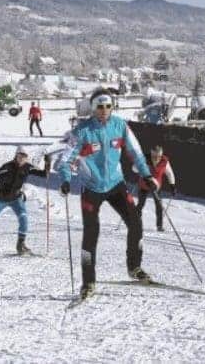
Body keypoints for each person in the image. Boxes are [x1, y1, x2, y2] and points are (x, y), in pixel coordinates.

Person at [58, 88, 158, 299]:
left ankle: (134, 267)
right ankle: (88, 282)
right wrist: (65, 179)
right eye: (99, 107)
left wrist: (147, 175)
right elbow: (66, 160)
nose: (104, 111)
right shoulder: (82, 131)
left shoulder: (120, 126)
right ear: (93, 108)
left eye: (107, 106)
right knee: (91, 234)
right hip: (91, 188)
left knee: (136, 222)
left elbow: (136, 152)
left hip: (116, 185)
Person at [135, 145, 177, 232]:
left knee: (159, 205)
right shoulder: (144, 159)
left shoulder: (164, 161)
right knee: (140, 205)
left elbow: (169, 173)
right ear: (151, 154)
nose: (157, 158)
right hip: (144, 184)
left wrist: (172, 186)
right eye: (154, 156)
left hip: (156, 186)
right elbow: (134, 168)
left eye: (159, 156)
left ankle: (159, 226)